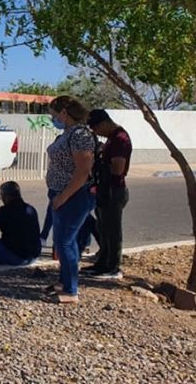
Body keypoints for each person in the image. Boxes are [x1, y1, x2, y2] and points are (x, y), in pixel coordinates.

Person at [42, 95, 97, 304]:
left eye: (54, 114)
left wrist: (63, 197)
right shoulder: (69, 133)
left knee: (65, 242)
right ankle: (65, 281)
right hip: (60, 193)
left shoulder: (80, 135)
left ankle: (71, 290)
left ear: (64, 112)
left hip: (73, 195)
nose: (53, 118)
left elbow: (83, 172)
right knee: (63, 241)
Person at [83, 108, 132, 279]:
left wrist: (99, 166)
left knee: (112, 231)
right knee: (102, 228)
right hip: (104, 189)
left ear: (104, 123)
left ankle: (113, 266)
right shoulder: (111, 139)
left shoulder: (120, 139)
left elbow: (117, 168)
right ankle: (102, 263)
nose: (95, 132)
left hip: (114, 190)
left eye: (95, 128)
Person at [0, 181, 41, 266]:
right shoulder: (30, 209)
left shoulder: (5, 211)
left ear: (7, 197)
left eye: (2, 196)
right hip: (34, 255)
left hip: (17, 258)